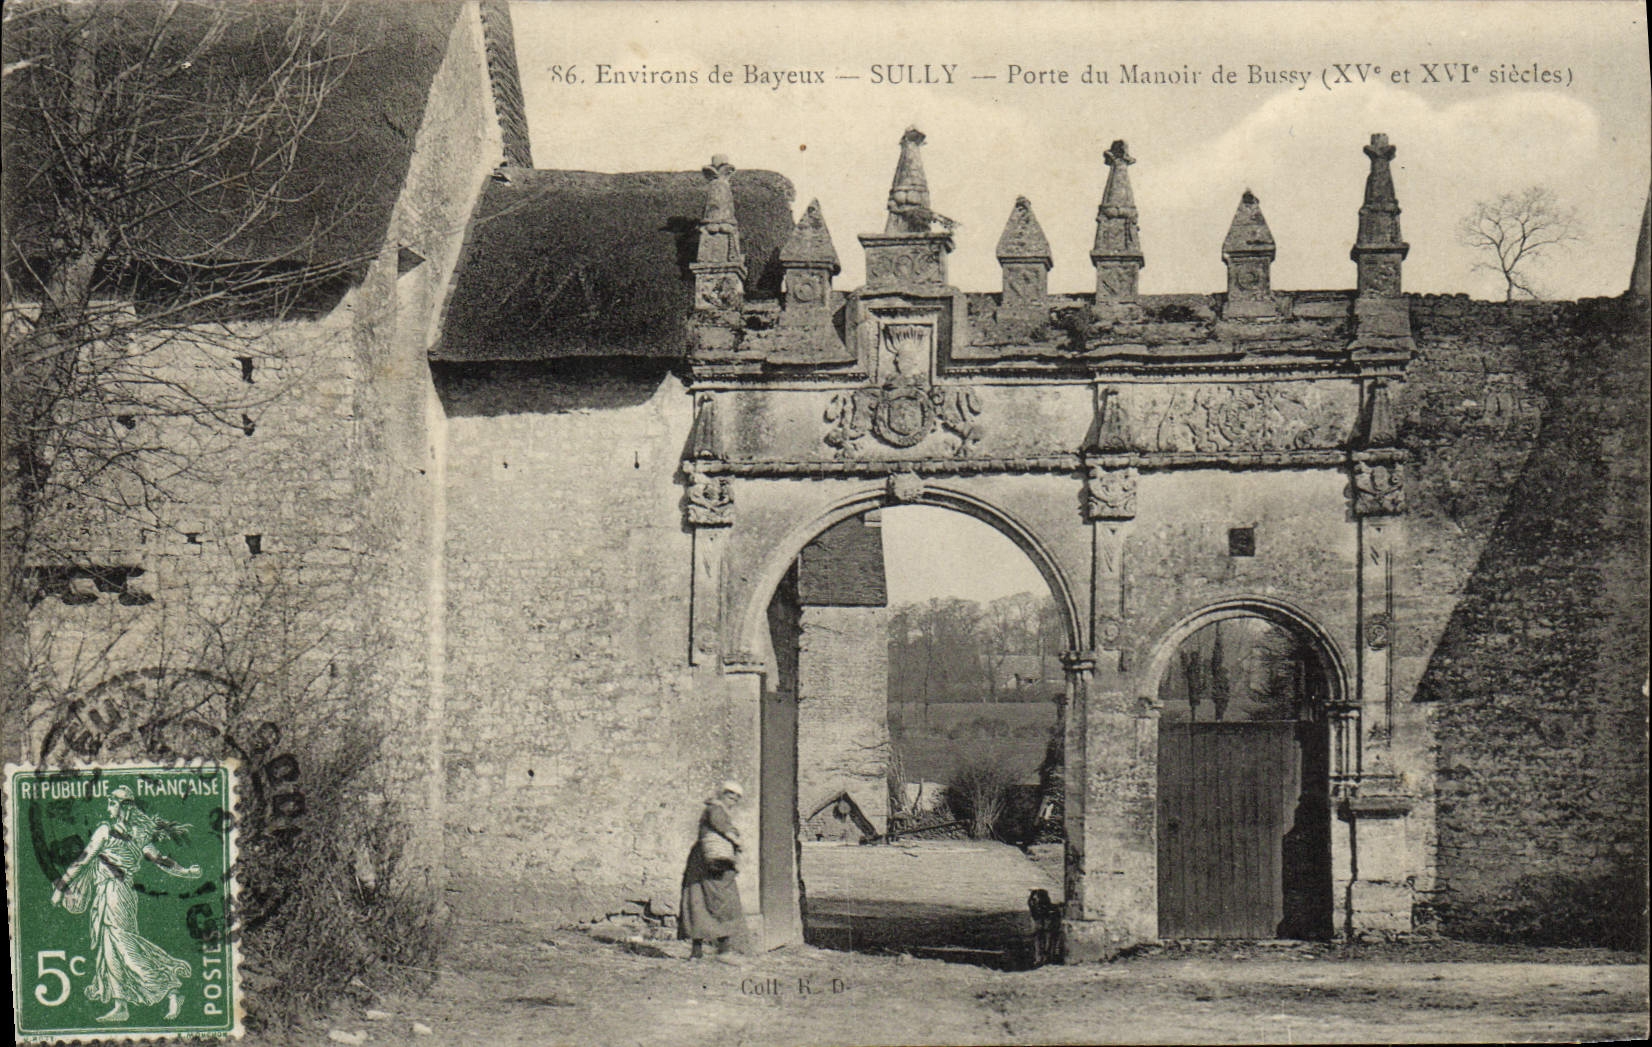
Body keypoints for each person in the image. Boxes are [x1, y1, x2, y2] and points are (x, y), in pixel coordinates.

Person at [50, 785, 202, 1022]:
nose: (109, 807)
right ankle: (120, 1005)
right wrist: (187, 872)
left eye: (113, 803)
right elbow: (85, 860)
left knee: (124, 947)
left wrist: (186, 872)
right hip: (106, 894)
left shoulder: (117, 832)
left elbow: (159, 860)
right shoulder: (112, 831)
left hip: (118, 893)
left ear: (125, 807)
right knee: (110, 950)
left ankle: (171, 988)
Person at [678, 780, 751, 964]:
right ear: (721, 794)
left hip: (715, 863)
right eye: (729, 795)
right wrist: (737, 840)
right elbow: (721, 825)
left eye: (736, 798)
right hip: (707, 863)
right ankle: (702, 951)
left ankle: (719, 949)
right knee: (706, 902)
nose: (732, 800)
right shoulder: (715, 809)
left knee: (719, 903)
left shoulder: (719, 810)